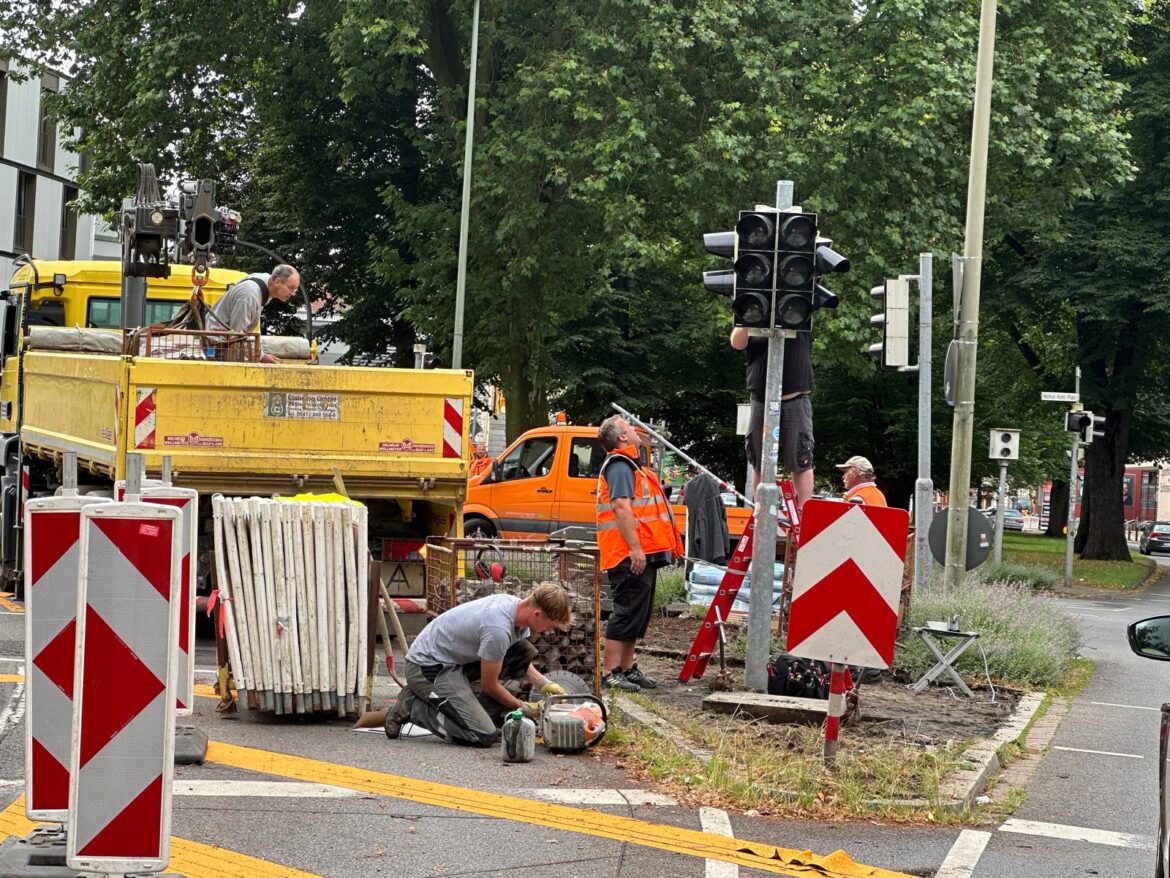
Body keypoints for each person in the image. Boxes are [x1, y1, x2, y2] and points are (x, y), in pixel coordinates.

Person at [384, 582, 572, 746]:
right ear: (537, 614)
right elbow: (489, 686)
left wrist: (543, 683)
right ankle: (412, 707)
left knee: (523, 650)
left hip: (454, 660)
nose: (549, 631)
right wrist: (522, 706)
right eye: (550, 625)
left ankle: (480, 716)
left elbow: (511, 656)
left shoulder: (513, 606)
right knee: (482, 735)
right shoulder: (497, 629)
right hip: (427, 669)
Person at [595, 415, 683, 692]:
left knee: (638, 612)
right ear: (621, 437)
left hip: (643, 550)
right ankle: (609, 671)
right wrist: (635, 550)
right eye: (628, 428)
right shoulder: (621, 467)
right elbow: (622, 508)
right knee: (626, 610)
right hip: (628, 553)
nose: (634, 431)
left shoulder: (632, 466)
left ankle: (627, 667)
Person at [730, 327, 815, 512]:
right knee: (759, 459)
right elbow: (737, 343)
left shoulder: (797, 304)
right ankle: (762, 511)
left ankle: (803, 512)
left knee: (801, 457)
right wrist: (747, 319)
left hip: (795, 397)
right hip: (762, 399)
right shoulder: (753, 308)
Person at [208, 264, 301, 364]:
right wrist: (261, 356)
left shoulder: (266, 282)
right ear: (277, 281)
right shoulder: (249, 296)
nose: (293, 293)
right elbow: (237, 334)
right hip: (217, 345)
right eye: (291, 288)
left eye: (295, 289)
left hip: (223, 341)